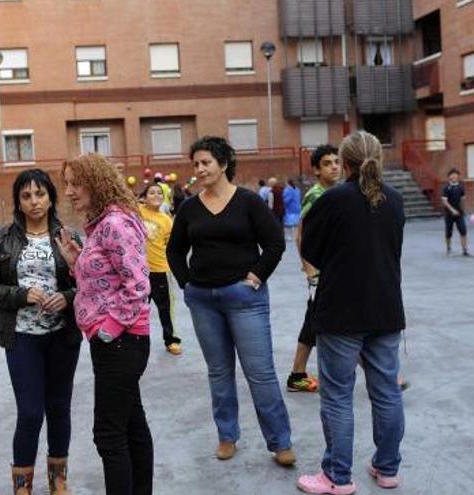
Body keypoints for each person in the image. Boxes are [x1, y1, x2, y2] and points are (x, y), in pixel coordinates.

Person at [167, 136, 295, 466]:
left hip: (244, 299)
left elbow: (275, 243)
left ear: (224, 164)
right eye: (195, 163)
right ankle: (227, 436)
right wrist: (187, 284)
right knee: (219, 372)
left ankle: (280, 442)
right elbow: (175, 250)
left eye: (206, 162)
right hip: (203, 301)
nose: (199, 169)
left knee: (260, 373)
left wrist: (255, 277)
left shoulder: (249, 202)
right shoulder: (189, 207)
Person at [295, 131, 406, 494]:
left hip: (341, 310)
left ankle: (337, 477)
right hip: (385, 308)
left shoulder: (333, 199)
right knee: (387, 391)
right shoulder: (396, 200)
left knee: (339, 394)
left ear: (344, 163)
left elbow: (311, 248)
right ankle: (387, 469)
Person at [0, 169, 82, 495]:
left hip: (62, 335)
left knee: (60, 407)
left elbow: (89, 284)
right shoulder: (0, 237)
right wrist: (22, 295)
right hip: (21, 336)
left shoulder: (70, 236)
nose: (34, 202)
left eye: (40, 194)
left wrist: (65, 298)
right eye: (26, 196)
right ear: (18, 202)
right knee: (30, 412)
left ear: (51, 197)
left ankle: (58, 482)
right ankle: (22, 486)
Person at [56, 154, 153, 495]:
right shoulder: (100, 224)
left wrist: (109, 328)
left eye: (76, 183)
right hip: (114, 340)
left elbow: (139, 285)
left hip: (121, 340)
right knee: (132, 424)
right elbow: (106, 280)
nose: (68, 191)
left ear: (96, 183)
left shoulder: (114, 224)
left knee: (109, 434)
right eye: (66, 183)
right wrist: (76, 262)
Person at [287, 145, 341, 393]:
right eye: (328, 163)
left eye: (337, 162)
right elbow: (301, 235)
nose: (334, 167)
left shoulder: (336, 192)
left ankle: (297, 374)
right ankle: (385, 376)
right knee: (336, 321)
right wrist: (310, 272)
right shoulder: (316, 195)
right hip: (322, 274)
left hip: (334, 271)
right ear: (317, 170)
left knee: (315, 321)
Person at [139, 183, 182, 355]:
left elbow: (170, 245)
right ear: (144, 196)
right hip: (139, 271)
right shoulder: (137, 211)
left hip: (161, 270)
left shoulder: (166, 220)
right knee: (139, 309)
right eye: (151, 192)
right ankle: (137, 341)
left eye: (159, 193)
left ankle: (171, 340)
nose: (156, 195)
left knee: (166, 309)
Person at [442, 168, 470, 256]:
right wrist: (452, 210)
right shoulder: (446, 188)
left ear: (458, 176)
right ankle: (448, 249)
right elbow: (445, 202)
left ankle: (465, 250)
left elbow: (462, 200)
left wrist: (464, 210)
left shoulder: (461, 187)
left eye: (455, 175)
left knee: (463, 231)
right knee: (448, 232)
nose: (454, 176)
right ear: (449, 177)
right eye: (452, 175)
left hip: (459, 214)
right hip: (449, 214)